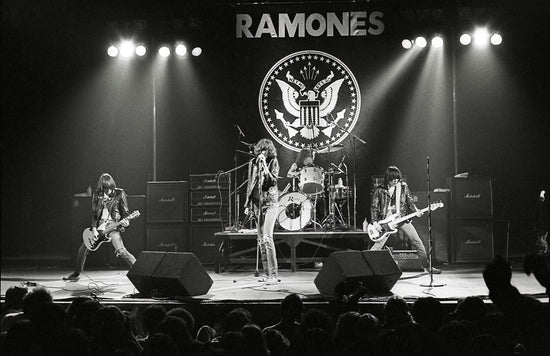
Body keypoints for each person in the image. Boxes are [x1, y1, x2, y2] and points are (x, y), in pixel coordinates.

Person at [64, 173, 136, 281]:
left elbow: (126, 213)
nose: (108, 192)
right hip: (99, 227)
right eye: (106, 189)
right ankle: (76, 273)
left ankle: (140, 272)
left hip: (113, 227)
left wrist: (127, 222)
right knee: (83, 248)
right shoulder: (97, 194)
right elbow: (94, 214)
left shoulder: (119, 193)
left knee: (122, 251)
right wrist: (94, 229)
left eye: (110, 189)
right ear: (102, 188)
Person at [370, 166, 440, 274]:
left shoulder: (402, 187)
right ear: (388, 178)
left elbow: (410, 202)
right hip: (387, 223)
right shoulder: (379, 190)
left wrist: (417, 211)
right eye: (393, 179)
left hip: (401, 219)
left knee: (417, 241)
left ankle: (427, 267)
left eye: (397, 178)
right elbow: (374, 207)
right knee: (378, 245)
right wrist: (375, 222)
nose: (396, 181)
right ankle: (366, 267)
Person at [244, 138, 280, 284]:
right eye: (260, 150)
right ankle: (266, 273)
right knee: (260, 241)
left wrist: (265, 165)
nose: (262, 152)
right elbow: (250, 183)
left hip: (270, 203)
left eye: (265, 150)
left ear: (269, 151)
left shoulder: (273, 161)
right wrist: (247, 204)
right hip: (257, 204)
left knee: (267, 237)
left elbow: (273, 181)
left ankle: (273, 274)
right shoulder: (252, 163)